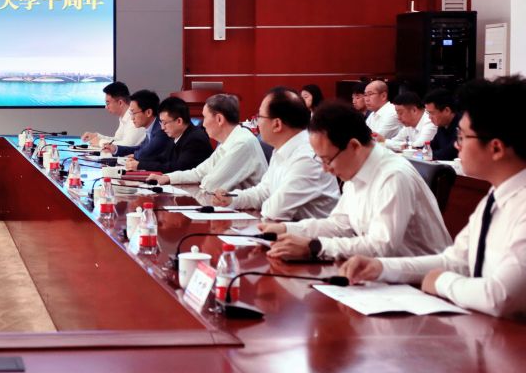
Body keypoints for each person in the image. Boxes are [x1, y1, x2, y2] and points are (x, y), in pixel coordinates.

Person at [340, 76, 526, 318]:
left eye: (462, 137)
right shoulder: (494, 198)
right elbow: (453, 261)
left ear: (496, 148)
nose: (457, 146)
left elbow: (500, 296)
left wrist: (440, 282)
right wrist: (381, 267)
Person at [260, 101, 451, 261]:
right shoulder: (355, 168)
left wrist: (314, 247)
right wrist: (285, 229)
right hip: (380, 274)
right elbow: (340, 225)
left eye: (327, 159)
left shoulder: (393, 176)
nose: (325, 168)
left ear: (354, 146)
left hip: (421, 283)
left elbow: (380, 246)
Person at [212, 88, 338, 221]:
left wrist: (261, 201)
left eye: (260, 117)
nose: (257, 122)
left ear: (277, 124)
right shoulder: (281, 149)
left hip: (310, 233)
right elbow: (263, 192)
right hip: (286, 229)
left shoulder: (307, 157)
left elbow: (275, 211)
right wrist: (231, 199)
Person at [148, 94, 265, 190]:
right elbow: (199, 172)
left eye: (205, 117)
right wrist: (167, 177)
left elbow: (212, 184)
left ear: (219, 119)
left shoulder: (242, 143)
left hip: (250, 210)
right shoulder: (228, 141)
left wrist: (203, 179)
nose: (203, 124)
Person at [135, 97, 212, 174]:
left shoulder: (195, 139)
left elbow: (178, 168)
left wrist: (141, 165)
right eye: (161, 123)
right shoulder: (176, 135)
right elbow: (163, 159)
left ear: (179, 121)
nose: (162, 128)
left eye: (165, 123)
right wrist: (138, 161)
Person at [101, 90, 171, 170]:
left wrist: (135, 155)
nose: (132, 118)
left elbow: (145, 153)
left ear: (148, 112)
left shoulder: (160, 129)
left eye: (134, 113)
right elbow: (141, 148)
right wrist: (116, 149)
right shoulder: (151, 127)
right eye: (131, 114)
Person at [80, 81, 146, 149]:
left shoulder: (135, 118)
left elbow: (128, 145)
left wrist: (100, 142)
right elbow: (118, 140)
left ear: (120, 103)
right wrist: (97, 136)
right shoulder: (124, 117)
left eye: (108, 103)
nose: (106, 107)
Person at [423, 88, 462, 162]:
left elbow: (447, 154)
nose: (429, 117)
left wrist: (426, 154)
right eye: (428, 113)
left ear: (447, 111)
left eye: (432, 113)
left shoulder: (462, 127)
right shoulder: (442, 126)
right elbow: (431, 147)